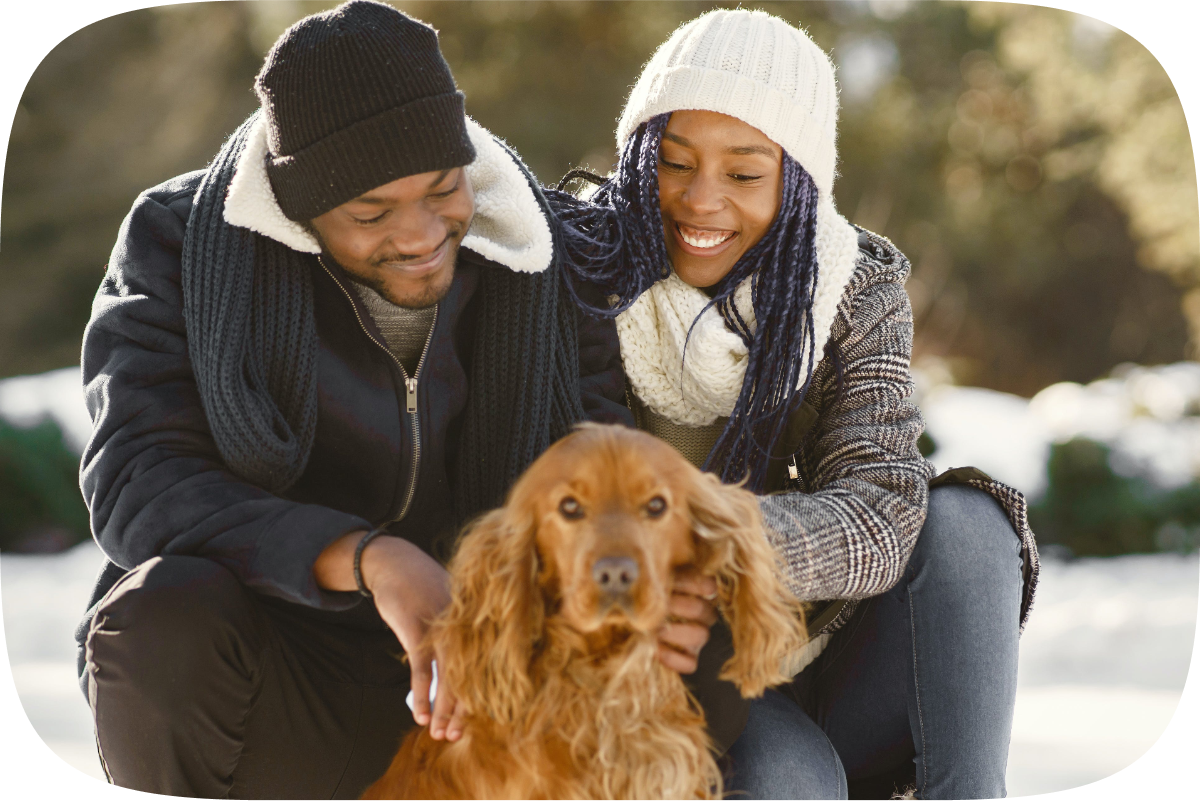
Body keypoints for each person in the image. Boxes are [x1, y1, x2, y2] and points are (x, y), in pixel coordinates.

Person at [74, 3, 721, 797]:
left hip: (492, 672)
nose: (419, 234)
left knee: (704, 639)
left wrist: (635, 589)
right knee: (159, 623)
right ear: (297, 205)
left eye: (443, 188)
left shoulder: (546, 251)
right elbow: (139, 482)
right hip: (289, 672)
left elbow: (603, 452)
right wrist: (365, 557)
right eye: (371, 213)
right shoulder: (180, 244)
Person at [551, 9, 1040, 801]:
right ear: (639, 154)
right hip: (673, 662)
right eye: (674, 163)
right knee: (790, 779)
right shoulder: (576, 268)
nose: (701, 201)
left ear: (799, 180)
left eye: (744, 175)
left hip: (828, 645)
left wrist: (710, 537)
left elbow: (882, 509)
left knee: (970, 525)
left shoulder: (853, 290)